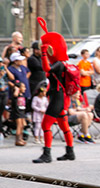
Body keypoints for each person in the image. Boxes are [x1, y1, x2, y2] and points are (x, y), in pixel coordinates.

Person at [32, 17, 75, 163]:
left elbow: (46, 69)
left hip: (57, 97)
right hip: (59, 97)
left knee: (46, 125)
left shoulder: (59, 64)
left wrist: (44, 53)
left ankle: (47, 154)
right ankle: (70, 152)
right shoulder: (62, 63)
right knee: (64, 125)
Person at [11, 82, 27, 146]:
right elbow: (15, 94)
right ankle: (17, 140)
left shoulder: (22, 95)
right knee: (19, 126)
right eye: (23, 87)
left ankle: (21, 138)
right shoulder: (16, 95)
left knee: (22, 126)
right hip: (17, 112)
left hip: (22, 112)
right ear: (19, 88)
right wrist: (16, 88)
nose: (25, 88)